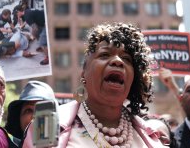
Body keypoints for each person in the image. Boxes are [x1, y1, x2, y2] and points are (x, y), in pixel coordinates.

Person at [22, 22, 165, 147]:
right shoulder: (46, 120)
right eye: (104, 55)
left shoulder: (152, 135)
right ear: (84, 72)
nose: (118, 61)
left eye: (127, 59)